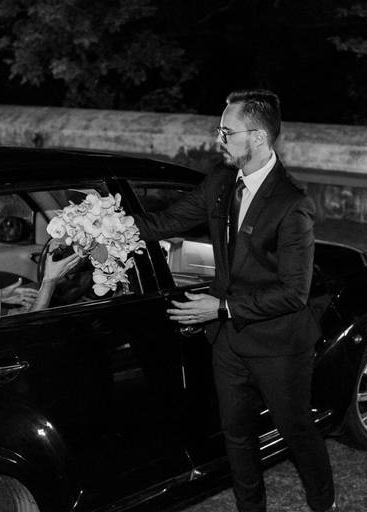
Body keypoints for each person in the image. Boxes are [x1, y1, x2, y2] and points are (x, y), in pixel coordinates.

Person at [133, 89, 336, 512]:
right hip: (228, 342)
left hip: (280, 345)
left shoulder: (292, 203)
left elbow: (294, 293)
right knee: (237, 436)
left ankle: (323, 503)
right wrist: (98, 223)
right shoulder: (221, 182)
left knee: (296, 431)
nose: (218, 139)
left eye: (227, 132)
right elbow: (163, 222)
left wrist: (220, 308)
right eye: (219, 130)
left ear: (258, 137)